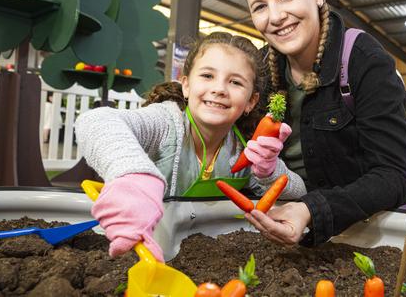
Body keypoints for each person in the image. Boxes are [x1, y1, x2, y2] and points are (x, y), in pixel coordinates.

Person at [240, 0, 406, 246]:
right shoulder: (257, 70)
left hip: (353, 237)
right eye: (260, 6)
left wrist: (312, 210)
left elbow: (396, 176)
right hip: (271, 227)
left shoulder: (363, 60)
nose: (276, 16)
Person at [75, 32, 306, 261]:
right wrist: (133, 174)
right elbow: (94, 121)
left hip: (204, 258)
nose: (219, 89)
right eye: (207, 76)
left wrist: (269, 172)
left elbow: (300, 192)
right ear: (186, 85)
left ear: (251, 101)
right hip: (132, 249)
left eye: (235, 82)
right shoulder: (166, 122)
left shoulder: (244, 148)